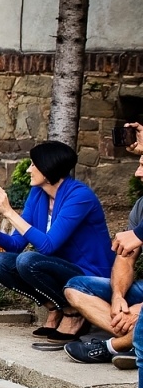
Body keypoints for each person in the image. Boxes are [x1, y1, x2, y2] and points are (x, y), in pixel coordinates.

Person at [0, 140, 114, 342]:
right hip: (59, 268)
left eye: (34, 164)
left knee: (28, 261)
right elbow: (17, 244)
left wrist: (8, 212)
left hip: (89, 275)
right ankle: (56, 307)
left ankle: (75, 313)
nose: (28, 170)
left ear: (48, 167)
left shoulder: (79, 196)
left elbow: (48, 245)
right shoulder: (38, 194)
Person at [63, 150, 143, 369]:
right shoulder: (141, 206)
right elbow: (125, 257)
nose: (137, 173)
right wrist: (118, 297)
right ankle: (136, 339)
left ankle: (117, 346)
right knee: (75, 287)